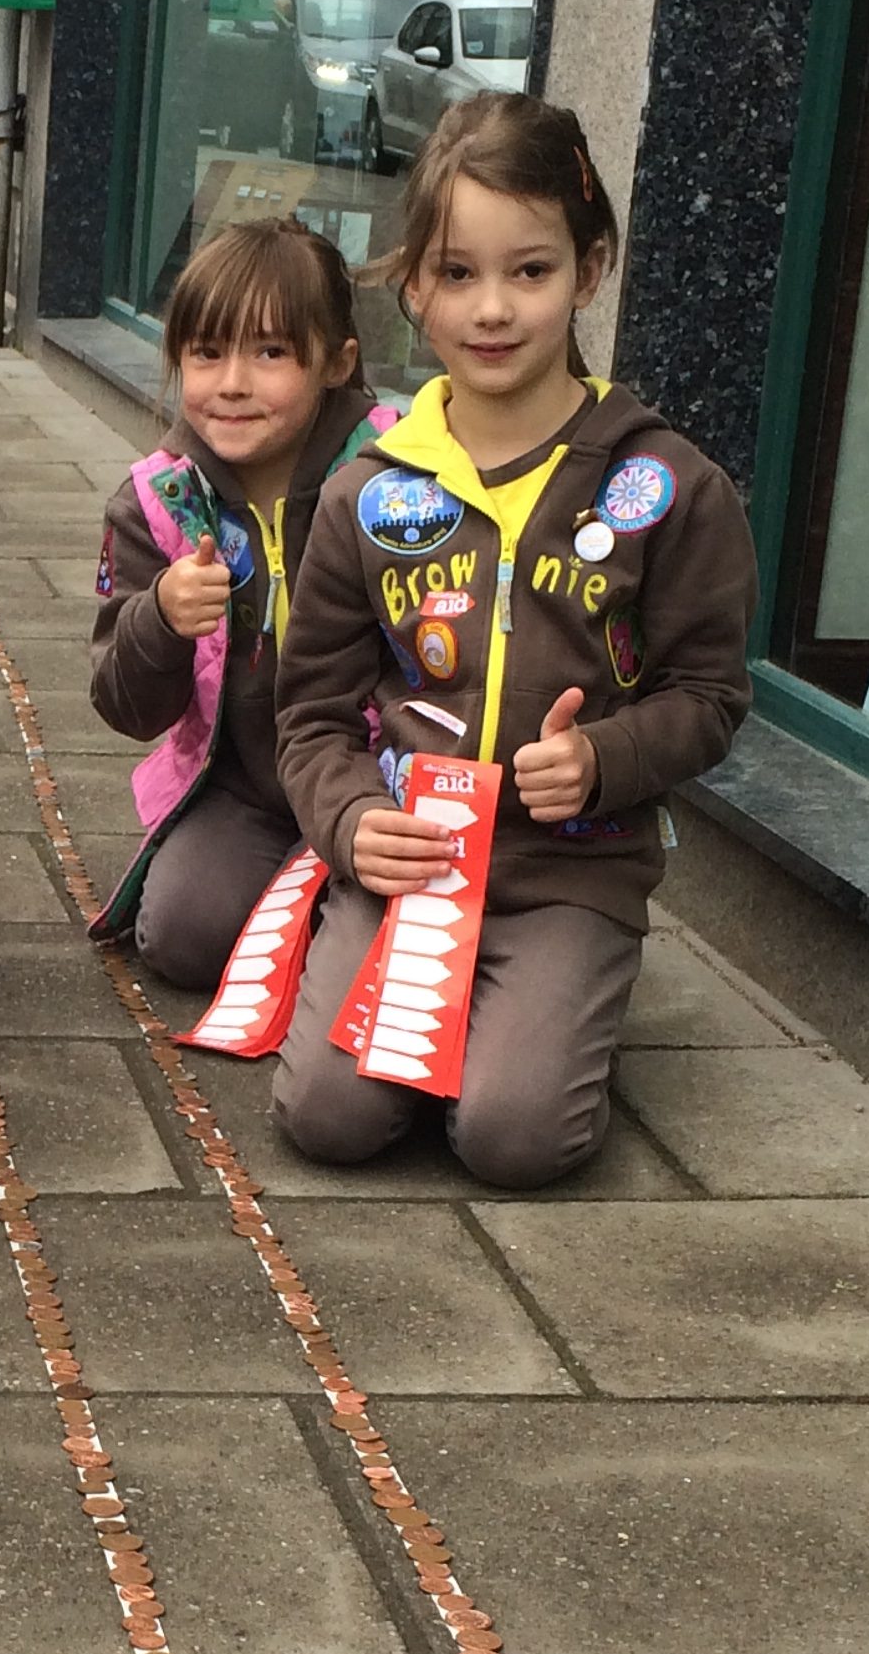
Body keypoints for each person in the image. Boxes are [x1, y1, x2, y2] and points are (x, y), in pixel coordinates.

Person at [272, 92, 756, 1188]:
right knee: (327, 1120)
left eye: (530, 271)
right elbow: (309, 715)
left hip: (571, 879)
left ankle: (553, 1007)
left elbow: (710, 695)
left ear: (590, 270)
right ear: (412, 285)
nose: (491, 309)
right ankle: (392, 964)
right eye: (456, 273)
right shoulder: (366, 493)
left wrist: (606, 760)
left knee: (515, 1140)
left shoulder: (670, 486)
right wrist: (351, 823)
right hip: (412, 863)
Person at [88, 217, 384, 989]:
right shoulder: (158, 503)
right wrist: (160, 618)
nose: (232, 383)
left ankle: (331, 911)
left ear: (337, 361)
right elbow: (123, 704)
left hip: (372, 775)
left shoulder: (395, 482)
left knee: (378, 931)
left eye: (271, 352)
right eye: (207, 352)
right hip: (240, 787)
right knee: (181, 934)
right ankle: (306, 905)